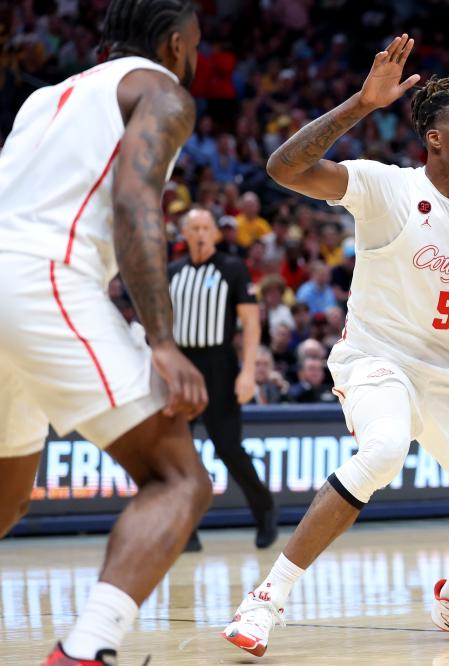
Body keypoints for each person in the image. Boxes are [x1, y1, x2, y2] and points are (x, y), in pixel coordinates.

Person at [223, 36, 449, 656]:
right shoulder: (386, 187)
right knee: (382, 451)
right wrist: (360, 104)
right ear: (434, 137)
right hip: (379, 361)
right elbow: (283, 170)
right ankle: (266, 597)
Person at [0, 2, 212, 664]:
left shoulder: (45, 100)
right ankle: (88, 649)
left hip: (14, 273)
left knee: (3, 499)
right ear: (177, 45)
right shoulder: (162, 90)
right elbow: (134, 201)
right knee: (180, 478)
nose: (196, 60)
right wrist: (161, 339)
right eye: (197, 47)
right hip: (43, 277)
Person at [169, 208, 277, 552]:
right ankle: (186, 528)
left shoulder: (232, 268)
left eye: (205, 227)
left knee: (228, 446)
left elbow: (251, 325)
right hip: (182, 365)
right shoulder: (172, 272)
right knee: (180, 453)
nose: (200, 233)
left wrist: (247, 372)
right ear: (184, 233)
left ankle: (265, 512)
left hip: (219, 364)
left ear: (215, 233)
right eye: (194, 227)